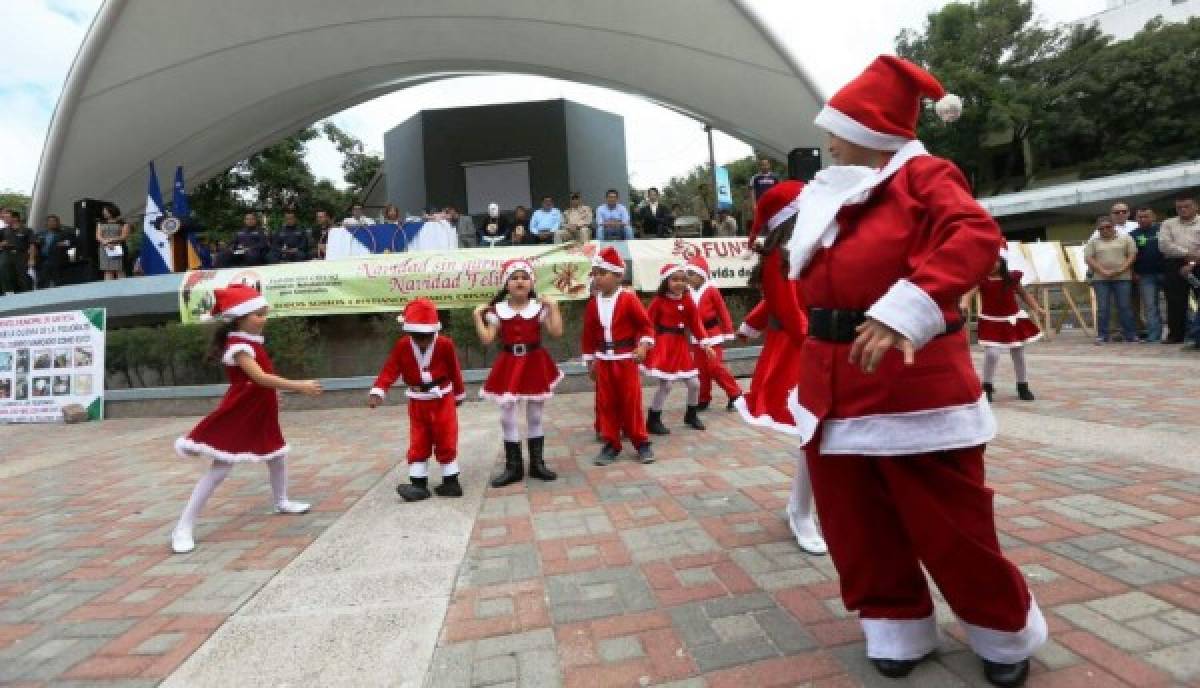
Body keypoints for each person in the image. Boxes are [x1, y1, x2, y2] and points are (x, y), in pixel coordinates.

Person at [783, 56, 1045, 685]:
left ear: (870, 132)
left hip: (911, 382)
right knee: (855, 522)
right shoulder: (836, 194)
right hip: (833, 384)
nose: (829, 143)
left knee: (952, 526)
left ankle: (1003, 633)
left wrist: (908, 308)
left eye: (837, 131)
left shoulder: (923, 175)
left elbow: (972, 235)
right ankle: (894, 620)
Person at [171, 286, 323, 553]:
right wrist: (300, 386)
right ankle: (183, 526)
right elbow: (259, 378)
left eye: (265, 313)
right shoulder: (239, 346)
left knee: (276, 455)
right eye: (258, 314)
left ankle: (282, 500)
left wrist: (273, 395)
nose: (264, 318)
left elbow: (263, 381)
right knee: (221, 468)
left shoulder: (250, 342)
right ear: (241, 317)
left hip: (261, 409)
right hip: (241, 411)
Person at [735, 180, 827, 556]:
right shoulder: (780, 258)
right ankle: (801, 511)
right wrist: (823, 348)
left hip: (816, 345)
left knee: (819, 433)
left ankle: (802, 507)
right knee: (812, 432)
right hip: (799, 350)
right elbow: (788, 311)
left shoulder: (808, 250)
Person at [473, 259, 564, 487]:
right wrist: (477, 317)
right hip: (509, 363)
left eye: (524, 277)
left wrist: (554, 307)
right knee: (507, 416)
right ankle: (513, 468)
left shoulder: (539, 308)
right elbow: (487, 339)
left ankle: (537, 464)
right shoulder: (498, 311)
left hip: (534, 362)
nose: (520, 281)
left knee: (534, 416)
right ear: (507, 284)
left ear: (532, 283)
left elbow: (556, 332)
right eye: (514, 278)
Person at [369, 298, 467, 501]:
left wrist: (459, 393)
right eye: (418, 336)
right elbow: (390, 369)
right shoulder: (403, 345)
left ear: (434, 331)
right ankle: (418, 485)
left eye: (427, 336)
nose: (423, 341)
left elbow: (454, 370)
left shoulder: (445, 344)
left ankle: (451, 482)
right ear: (409, 332)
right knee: (419, 439)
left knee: (446, 437)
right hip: (417, 400)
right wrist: (379, 390)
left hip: (442, 398)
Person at [582, 246, 655, 464]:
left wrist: (643, 347)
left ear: (618, 275)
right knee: (606, 402)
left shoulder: (628, 299)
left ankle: (641, 442)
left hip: (625, 359)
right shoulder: (593, 303)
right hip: (604, 361)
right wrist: (590, 362)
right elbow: (588, 335)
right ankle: (611, 443)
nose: (597, 278)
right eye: (595, 274)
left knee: (630, 401)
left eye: (602, 274)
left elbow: (646, 326)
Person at [641, 262, 714, 435]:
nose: (679, 283)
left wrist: (706, 343)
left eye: (682, 279)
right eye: (674, 279)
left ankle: (691, 414)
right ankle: (653, 419)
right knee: (666, 385)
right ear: (666, 281)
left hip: (681, 346)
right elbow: (647, 324)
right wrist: (645, 344)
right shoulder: (659, 301)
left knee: (695, 384)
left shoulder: (687, 299)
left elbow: (696, 323)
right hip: (664, 346)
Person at [962, 252, 1045, 402]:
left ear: (1002, 262)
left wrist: (1037, 308)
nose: (993, 264)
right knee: (992, 354)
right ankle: (987, 386)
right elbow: (968, 293)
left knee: (1018, 354)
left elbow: (1024, 295)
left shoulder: (1012, 278)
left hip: (1012, 320)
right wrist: (964, 304)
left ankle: (1022, 385)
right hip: (991, 321)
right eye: (990, 261)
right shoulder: (982, 279)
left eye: (996, 261)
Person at [684, 255, 741, 412]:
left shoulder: (711, 290)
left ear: (701, 275)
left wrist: (728, 330)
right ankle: (703, 398)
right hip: (697, 338)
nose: (688, 277)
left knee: (714, 367)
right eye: (687, 273)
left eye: (691, 274)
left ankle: (735, 394)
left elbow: (723, 311)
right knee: (701, 370)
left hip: (712, 336)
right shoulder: (687, 293)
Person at [1085, 215, 1138, 344]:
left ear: (1113, 226)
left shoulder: (1125, 238)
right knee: (1103, 308)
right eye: (1101, 228)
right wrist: (1103, 271)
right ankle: (1102, 335)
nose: (1105, 230)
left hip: (1122, 277)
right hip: (1100, 279)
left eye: (1108, 227)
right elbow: (1089, 258)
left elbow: (1132, 255)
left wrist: (1120, 269)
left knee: (1125, 307)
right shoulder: (1093, 241)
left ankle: (1130, 335)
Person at [1159, 196, 1200, 344]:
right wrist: (1188, 254)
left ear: (1196, 207)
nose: (1183, 210)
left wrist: (1192, 262)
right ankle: (1176, 335)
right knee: (1175, 301)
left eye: (1186, 206)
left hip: (1198, 264)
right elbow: (1165, 246)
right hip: (1174, 264)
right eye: (1179, 207)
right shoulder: (1168, 224)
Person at [1129, 208, 1165, 343]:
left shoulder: (1163, 229)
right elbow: (1129, 256)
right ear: (1136, 219)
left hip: (1166, 272)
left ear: (1153, 216)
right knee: (1150, 307)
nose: (1143, 219)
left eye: (1146, 216)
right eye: (1140, 217)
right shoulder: (1132, 234)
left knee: (1176, 304)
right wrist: (1133, 272)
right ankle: (1154, 336)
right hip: (1145, 276)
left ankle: (1183, 333)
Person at [0, 210, 37, 294]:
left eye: (7, 217)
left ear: (15, 218)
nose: (4, 219)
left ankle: (27, 295)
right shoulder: (3, 231)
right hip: (7, 255)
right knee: (6, 276)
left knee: (23, 278)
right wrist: (1, 244)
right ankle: (8, 294)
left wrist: (31, 259)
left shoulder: (27, 230)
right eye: (3, 218)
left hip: (21, 255)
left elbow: (32, 245)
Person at [35, 214, 75, 288]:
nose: (52, 223)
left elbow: (71, 243)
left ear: (58, 223)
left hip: (57, 260)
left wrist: (63, 243)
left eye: (54, 221)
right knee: (42, 282)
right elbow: (34, 245)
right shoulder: (41, 234)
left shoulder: (64, 233)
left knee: (59, 282)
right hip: (43, 261)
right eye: (50, 221)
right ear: (46, 223)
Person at [95, 204, 130, 281]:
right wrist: (105, 242)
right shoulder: (100, 223)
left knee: (119, 269)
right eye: (103, 211)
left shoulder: (123, 223)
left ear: (112, 211)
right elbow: (98, 236)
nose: (104, 213)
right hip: (104, 248)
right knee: (107, 270)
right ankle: (108, 290)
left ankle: (123, 289)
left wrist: (111, 240)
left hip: (117, 247)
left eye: (106, 211)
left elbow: (124, 236)